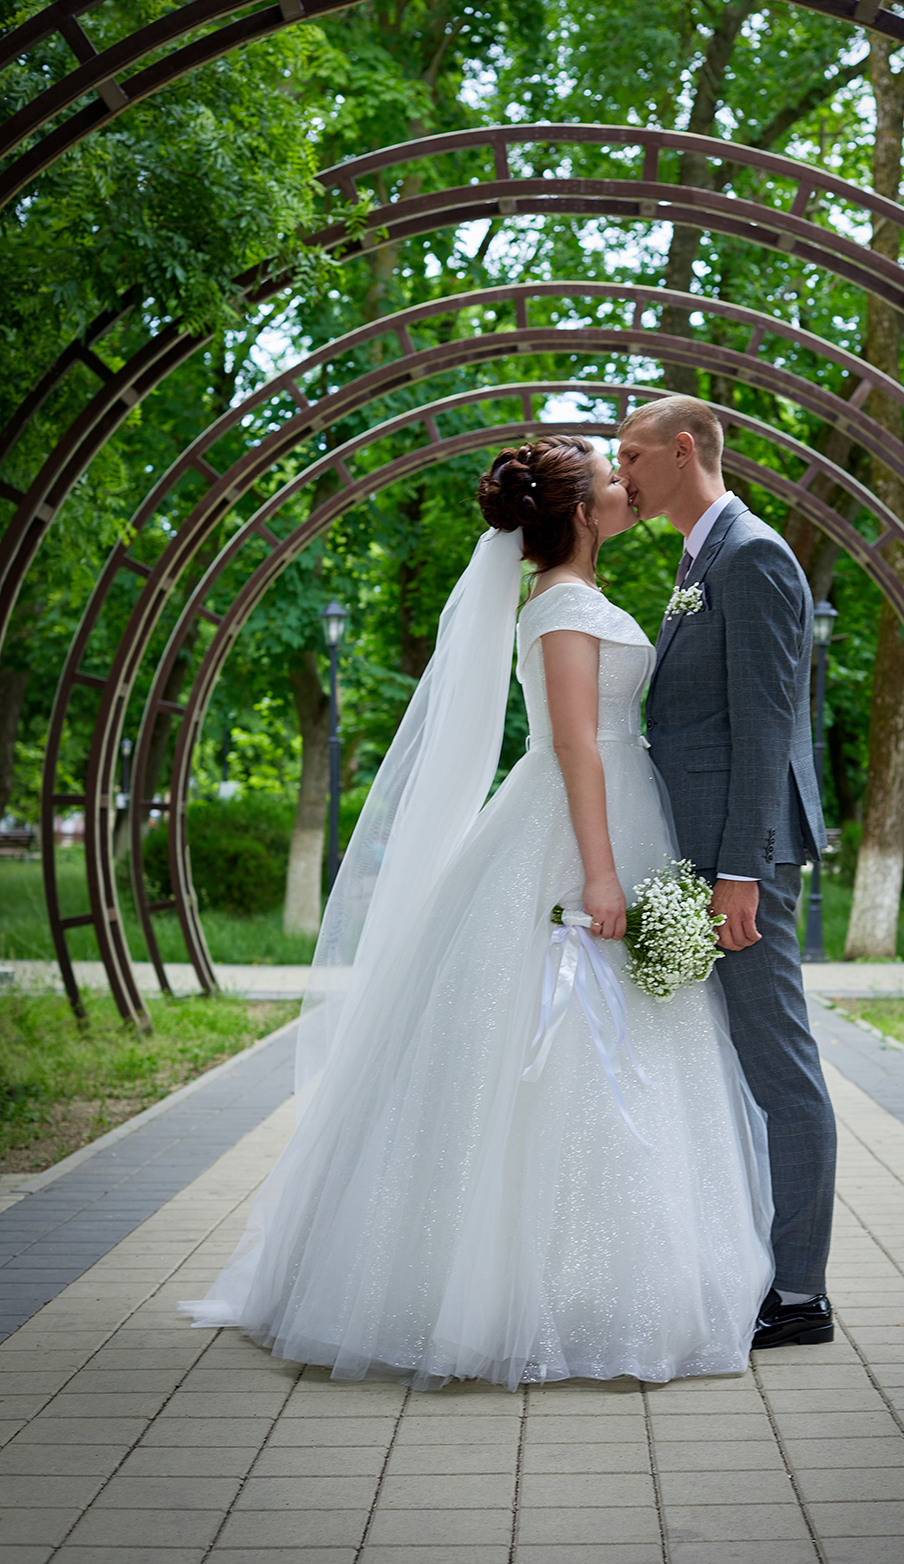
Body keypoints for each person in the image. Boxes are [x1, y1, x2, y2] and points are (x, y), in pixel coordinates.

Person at [180, 434, 773, 1389]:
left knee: (626, 1049)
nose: (627, 488)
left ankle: (598, 1277)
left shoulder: (570, 598)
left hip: (620, 813)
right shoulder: (566, 607)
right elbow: (578, 746)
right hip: (578, 829)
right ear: (581, 512)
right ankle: (503, 1290)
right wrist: (600, 876)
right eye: (611, 478)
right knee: (559, 1047)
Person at [616, 395, 838, 1349]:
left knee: (777, 1065)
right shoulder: (701, 556)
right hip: (694, 854)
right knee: (701, 1054)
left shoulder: (749, 557)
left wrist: (741, 874)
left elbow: (765, 730)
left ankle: (798, 1297)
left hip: (733, 865)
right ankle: (734, 1259)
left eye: (630, 452)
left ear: (680, 450)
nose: (619, 470)